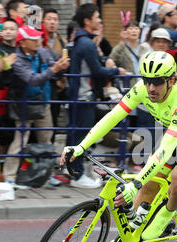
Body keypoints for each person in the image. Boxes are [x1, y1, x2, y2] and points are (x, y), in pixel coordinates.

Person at [60, 51, 177, 242]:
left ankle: (165, 216)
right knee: (149, 185)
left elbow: (166, 148)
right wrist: (80, 147)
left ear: (172, 80)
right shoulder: (141, 90)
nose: (151, 88)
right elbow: (112, 117)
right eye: (147, 81)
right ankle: (127, 239)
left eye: (158, 82)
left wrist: (134, 183)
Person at [2, 25, 69, 187]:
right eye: (33, 38)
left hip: (43, 102)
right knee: (20, 140)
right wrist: (55, 68)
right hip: (23, 105)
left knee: (46, 139)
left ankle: (47, 175)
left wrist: (61, 68)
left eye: (38, 37)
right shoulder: (16, 59)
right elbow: (32, 79)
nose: (38, 40)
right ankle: (8, 177)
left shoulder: (43, 53)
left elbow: (54, 73)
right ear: (23, 42)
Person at [67, 3, 123, 189]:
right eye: (97, 17)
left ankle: (78, 172)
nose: (100, 20)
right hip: (84, 97)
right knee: (82, 137)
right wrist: (117, 70)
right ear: (87, 20)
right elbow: (98, 71)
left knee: (79, 136)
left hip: (80, 96)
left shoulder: (81, 40)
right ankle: (77, 176)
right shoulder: (86, 43)